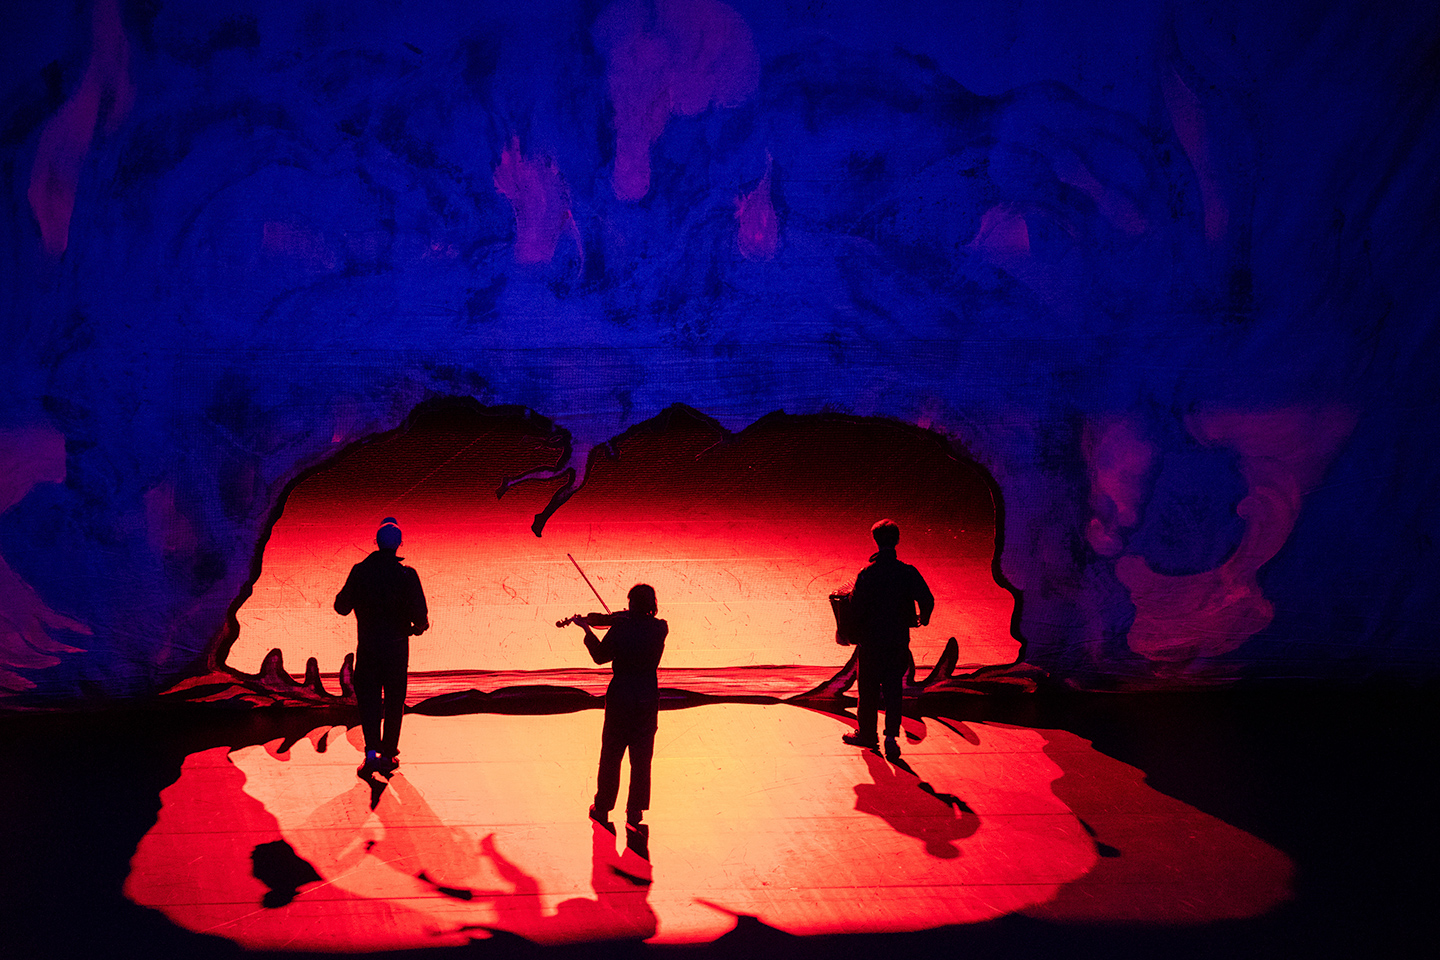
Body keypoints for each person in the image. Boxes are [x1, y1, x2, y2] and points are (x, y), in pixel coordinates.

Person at [567, 584, 667, 846]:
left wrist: (587, 630)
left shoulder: (621, 627)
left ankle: (603, 806)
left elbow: (600, 657)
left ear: (631, 604)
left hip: (621, 695)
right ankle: (635, 810)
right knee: (642, 758)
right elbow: (637, 623)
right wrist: (620, 620)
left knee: (611, 754)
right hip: (647, 696)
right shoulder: (660, 628)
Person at [334, 517, 429, 778]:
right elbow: (421, 617)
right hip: (396, 649)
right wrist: (416, 628)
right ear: (399, 544)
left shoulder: (360, 571)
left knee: (369, 701)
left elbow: (341, 607)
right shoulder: (407, 575)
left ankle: (371, 752)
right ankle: (388, 754)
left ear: (375, 542)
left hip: (368, 648)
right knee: (395, 701)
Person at [842, 519, 934, 761]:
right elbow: (927, 599)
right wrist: (923, 619)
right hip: (897, 640)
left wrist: (851, 632)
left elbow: (856, 607)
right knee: (893, 690)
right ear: (897, 540)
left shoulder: (867, 574)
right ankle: (891, 737)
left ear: (875, 541)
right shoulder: (907, 572)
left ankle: (867, 734)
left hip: (871, 642)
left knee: (868, 689)